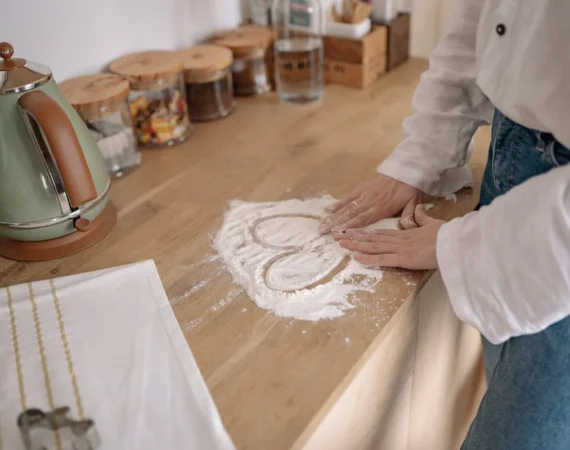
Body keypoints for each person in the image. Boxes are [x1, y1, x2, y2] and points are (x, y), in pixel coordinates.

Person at [320, 2, 570, 448]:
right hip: (508, 155)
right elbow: (487, 21)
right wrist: (419, 159)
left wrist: (468, 249)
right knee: (499, 369)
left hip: (557, 231)